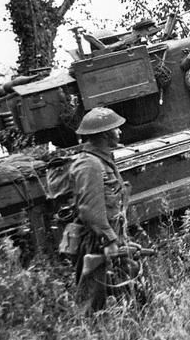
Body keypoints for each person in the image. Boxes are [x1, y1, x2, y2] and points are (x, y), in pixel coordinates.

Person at [69, 107, 129, 314]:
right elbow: (89, 210)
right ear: (104, 134)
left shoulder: (104, 160)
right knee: (90, 306)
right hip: (97, 244)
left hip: (110, 240)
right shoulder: (89, 164)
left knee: (122, 294)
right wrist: (110, 239)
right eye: (115, 129)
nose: (119, 132)